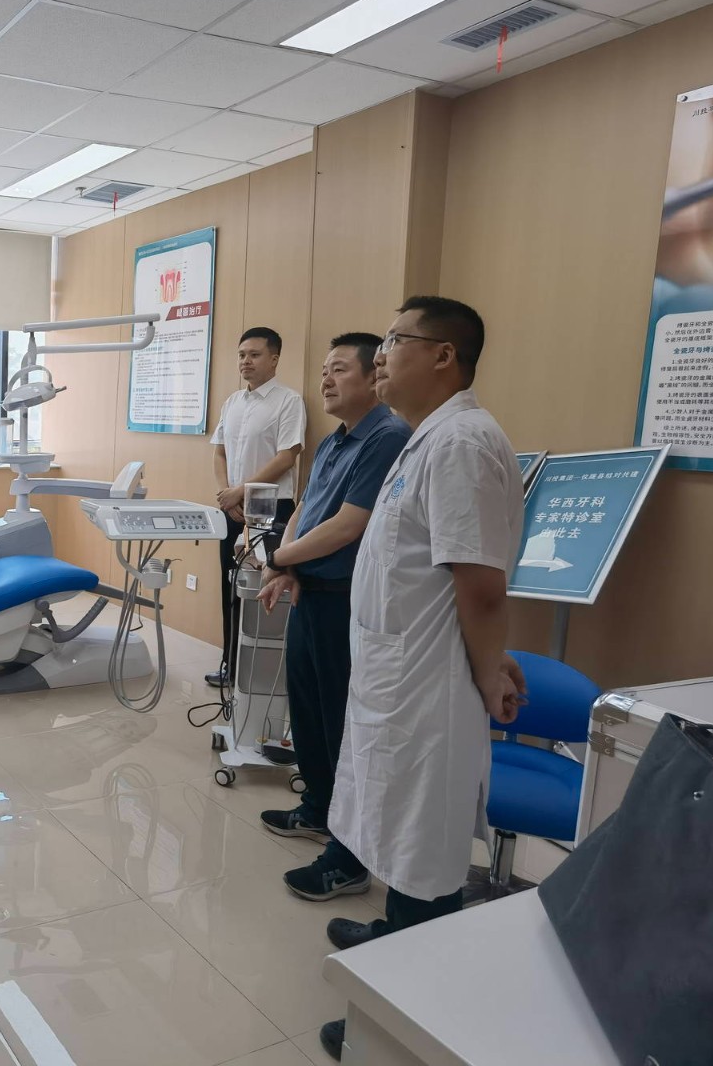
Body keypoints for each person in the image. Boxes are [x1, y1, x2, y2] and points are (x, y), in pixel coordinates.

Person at [308, 297, 526, 1062]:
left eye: (396, 339)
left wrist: (489, 668)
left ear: (443, 356)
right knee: (397, 823)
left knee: (423, 840)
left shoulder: (462, 442)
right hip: (396, 673)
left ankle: (398, 1022)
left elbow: (480, 583)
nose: (380, 354)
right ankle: (394, 935)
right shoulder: (426, 436)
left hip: (428, 683)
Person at [255, 334, 409, 852]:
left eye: (340, 369)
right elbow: (305, 509)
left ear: (373, 375)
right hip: (311, 589)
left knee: (340, 714)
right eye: (324, 370)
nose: (326, 379)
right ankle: (318, 807)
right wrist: (289, 566)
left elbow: (348, 525)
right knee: (308, 707)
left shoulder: (386, 437)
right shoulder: (332, 441)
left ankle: (346, 832)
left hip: (347, 597)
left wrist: (278, 561)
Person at [208, 326, 305, 689]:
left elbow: (287, 456)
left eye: (254, 354)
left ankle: (263, 677)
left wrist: (240, 492)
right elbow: (219, 452)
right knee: (231, 586)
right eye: (241, 355)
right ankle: (229, 666)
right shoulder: (233, 402)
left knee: (265, 589)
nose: (245, 361)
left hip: (272, 511)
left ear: (274, 359)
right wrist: (226, 494)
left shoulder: (288, 401)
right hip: (233, 510)